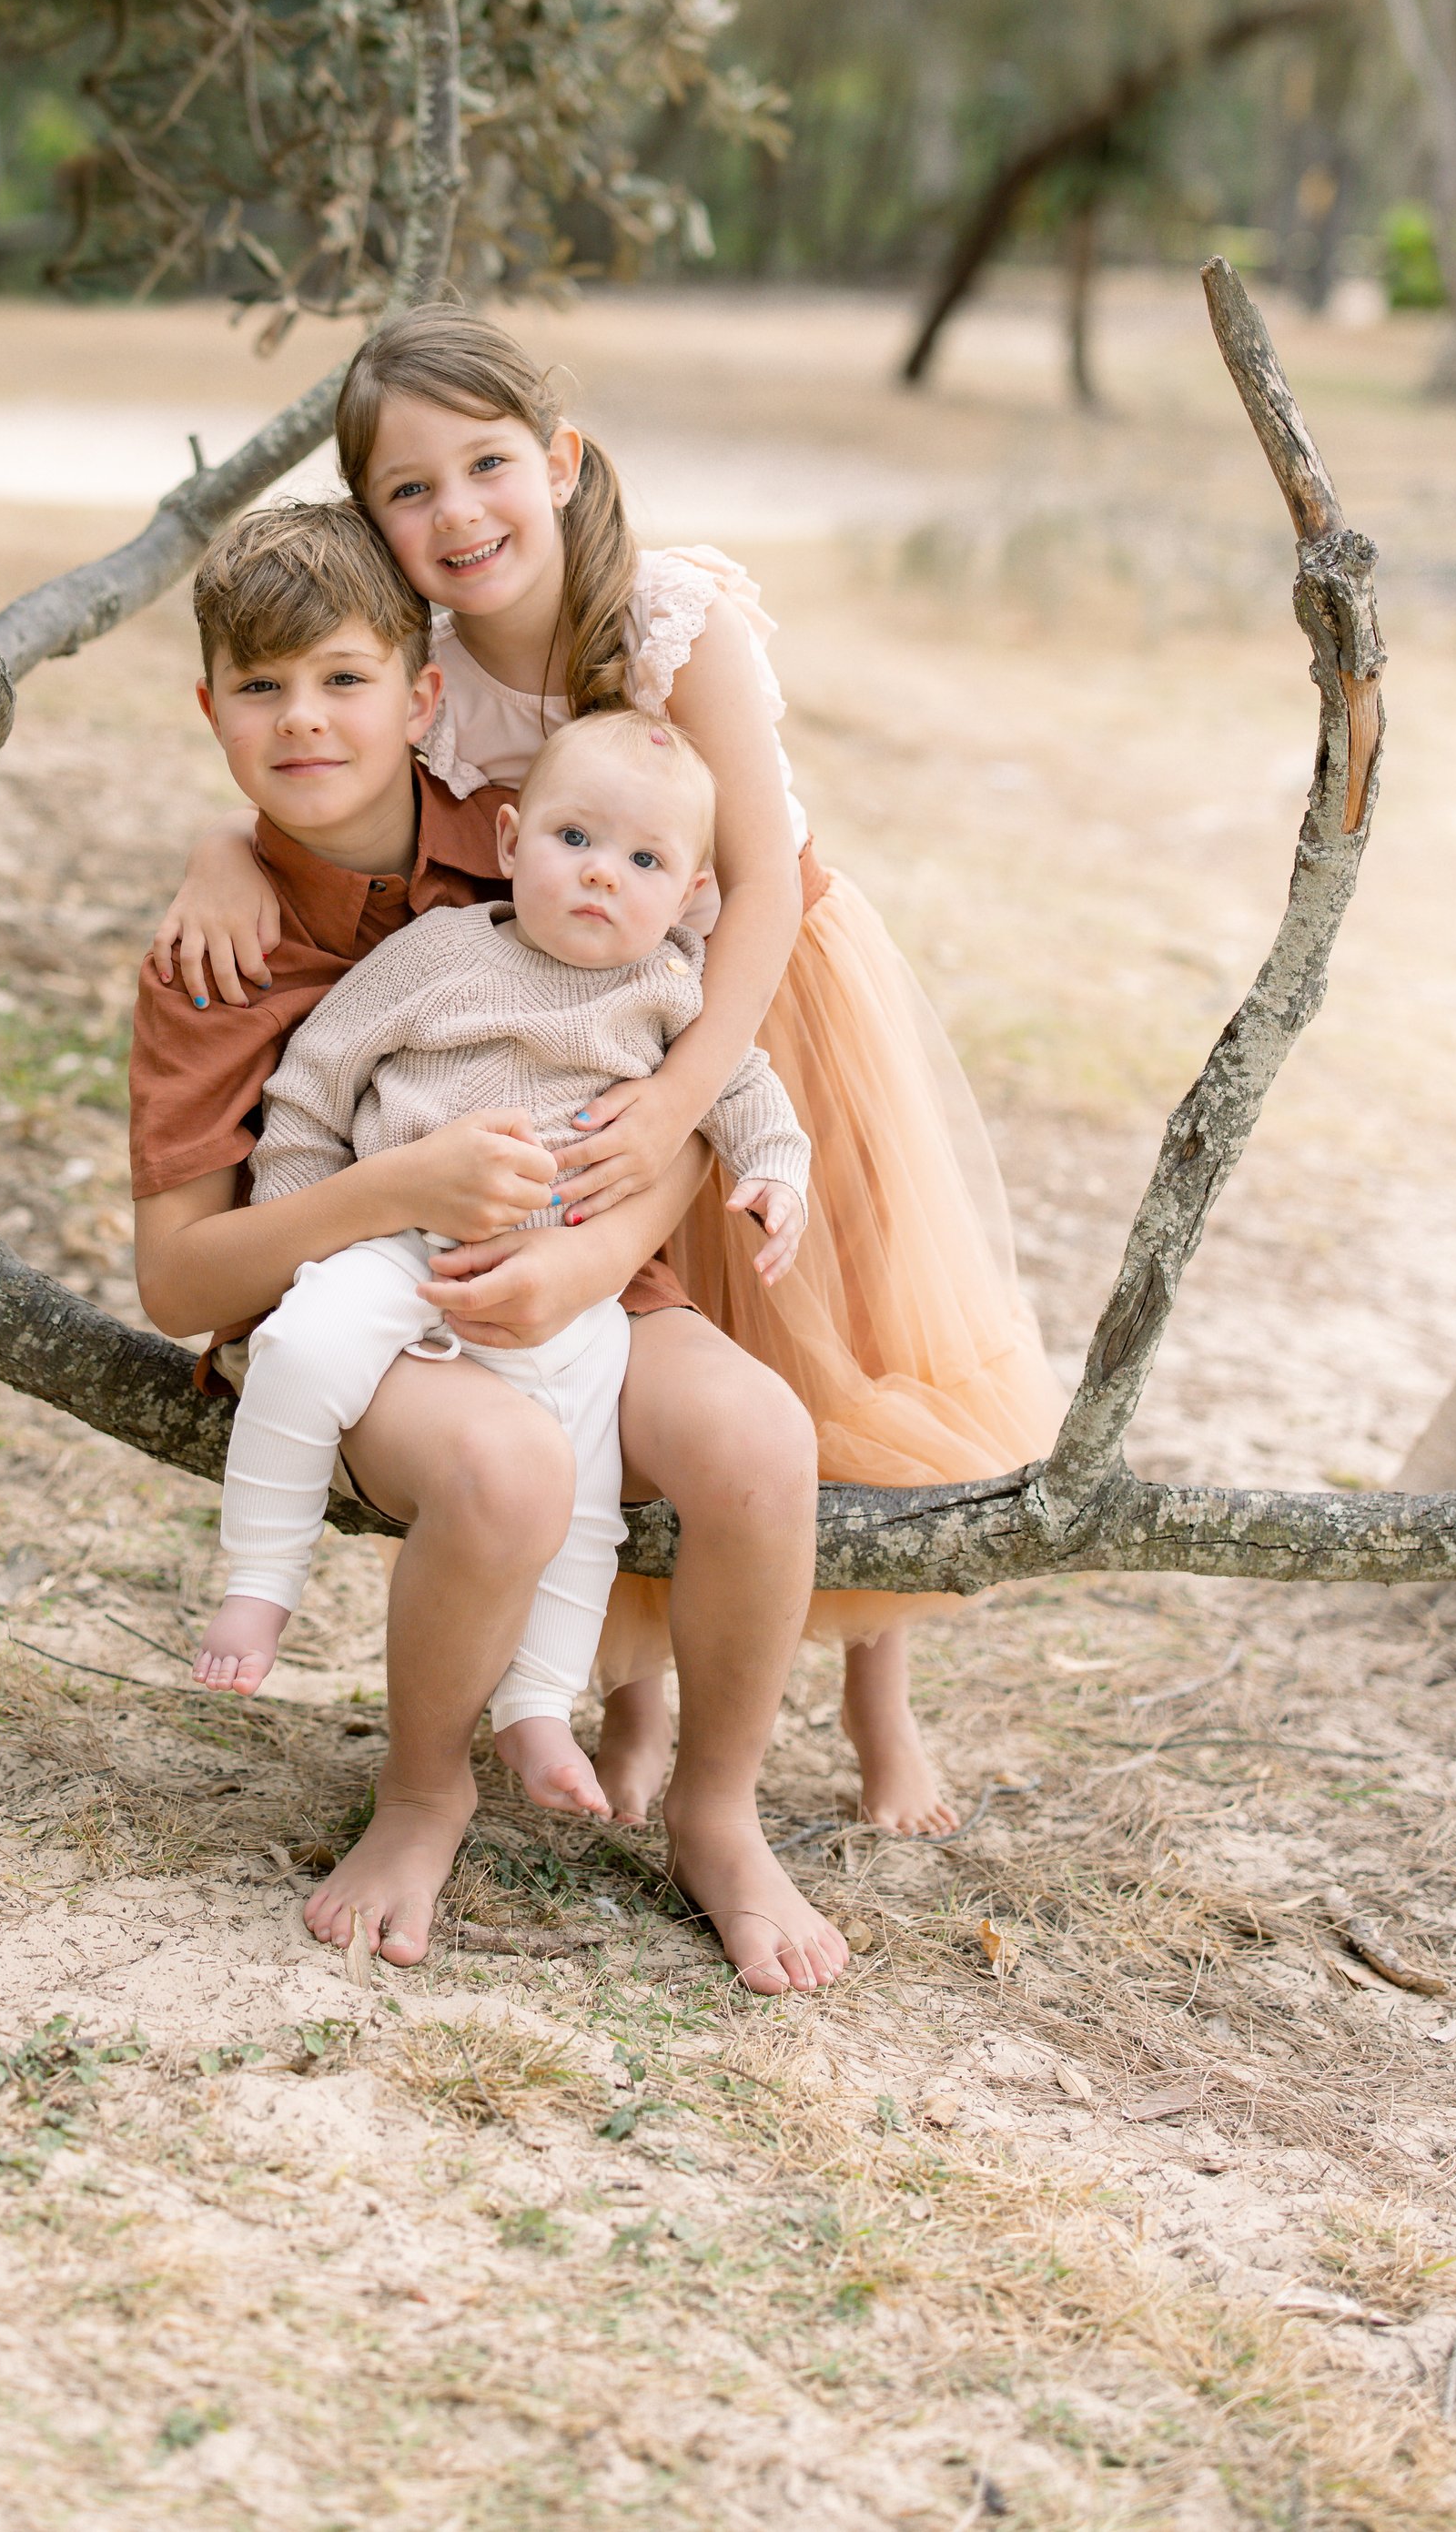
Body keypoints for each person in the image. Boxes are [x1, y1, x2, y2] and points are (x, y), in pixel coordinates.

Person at [152, 305, 1066, 1839]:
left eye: (488, 465)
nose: (458, 514)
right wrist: (220, 843)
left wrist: (689, 1091)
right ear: (377, 524)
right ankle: (637, 1708)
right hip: (582, 1015)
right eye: (410, 491)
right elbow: (336, 785)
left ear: (558, 461)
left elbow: (763, 882)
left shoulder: (665, 616)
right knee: (641, 1332)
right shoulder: (425, 670)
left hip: (756, 997)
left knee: (827, 1340)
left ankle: (877, 1706)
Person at [129, 499, 847, 1990]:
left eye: (343, 679)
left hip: (589, 1276)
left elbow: (671, 1071)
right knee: (508, 1466)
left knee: (763, 1440)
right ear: (211, 711)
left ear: (424, 697)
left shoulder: (529, 836)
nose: (306, 721)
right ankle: (424, 1789)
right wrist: (402, 1190)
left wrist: (596, 1256)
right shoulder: (216, 953)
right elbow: (181, 1280)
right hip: (367, 1309)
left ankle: (717, 1809)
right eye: (260, 689)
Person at [197, 707, 811, 1830]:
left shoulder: (672, 990)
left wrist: (776, 1169)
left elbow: (745, 1089)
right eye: (574, 839)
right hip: (392, 1246)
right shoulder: (439, 954)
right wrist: (304, 1230)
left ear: (684, 898)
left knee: (579, 1495)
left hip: (573, 1293)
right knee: (302, 1346)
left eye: (642, 861)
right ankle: (258, 1582)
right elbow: (314, 1083)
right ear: (515, 836)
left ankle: (535, 1703)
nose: (598, 878)